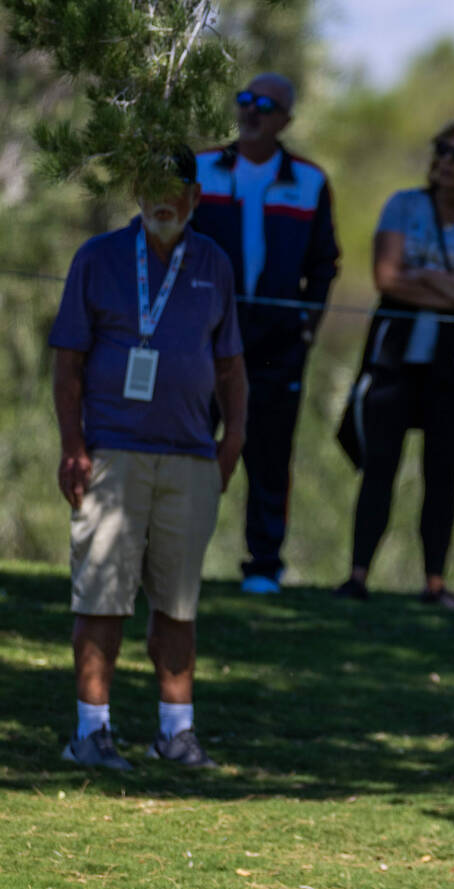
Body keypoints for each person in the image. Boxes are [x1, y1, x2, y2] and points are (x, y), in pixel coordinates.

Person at [50, 149, 247, 769]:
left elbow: (231, 366)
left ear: (195, 194)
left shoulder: (213, 262)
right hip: (113, 455)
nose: (163, 198)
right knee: (101, 597)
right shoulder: (99, 257)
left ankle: (176, 733)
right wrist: (73, 446)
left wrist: (233, 440)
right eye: (150, 185)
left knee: (179, 603)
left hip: (190, 456)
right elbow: (68, 362)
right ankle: (91, 732)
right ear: (136, 191)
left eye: (175, 187)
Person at [334, 120, 454, 608]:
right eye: (441, 150)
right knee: (380, 465)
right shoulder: (403, 205)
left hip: (453, 366)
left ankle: (435, 582)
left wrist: (425, 276)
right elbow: (387, 278)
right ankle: (357, 576)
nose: (445, 161)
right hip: (396, 359)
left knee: (441, 472)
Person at [193, 74, 339, 595]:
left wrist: (304, 328)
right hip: (204, 334)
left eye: (265, 104)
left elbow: (324, 264)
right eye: (245, 100)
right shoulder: (203, 167)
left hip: (277, 343)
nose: (252, 111)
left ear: (285, 119)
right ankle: (174, 548)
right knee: (189, 441)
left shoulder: (309, 180)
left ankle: (262, 564)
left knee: (269, 451)